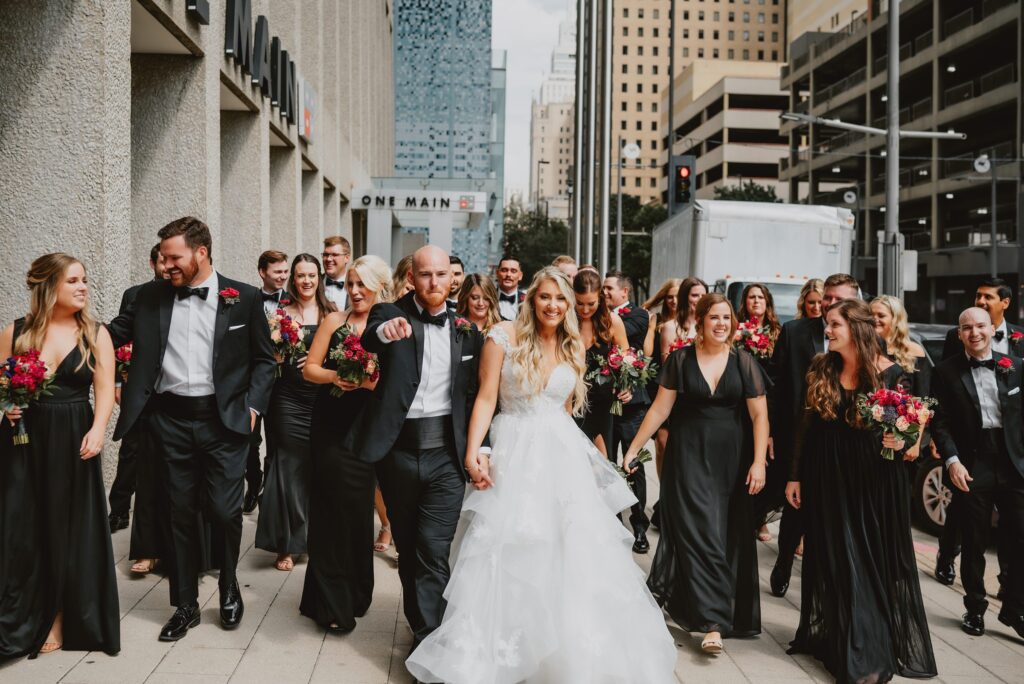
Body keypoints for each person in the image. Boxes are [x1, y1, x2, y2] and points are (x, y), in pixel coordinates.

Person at [406, 267, 677, 683]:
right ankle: (500, 647)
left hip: (560, 456)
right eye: (545, 297)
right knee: (509, 545)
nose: (553, 305)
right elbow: (485, 398)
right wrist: (474, 451)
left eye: (560, 299)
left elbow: (566, 411)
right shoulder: (502, 336)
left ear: (569, 306)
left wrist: (587, 459)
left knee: (568, 548)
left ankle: (564, 648)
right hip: (513, 447)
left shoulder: (574, 347)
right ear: (533, 299)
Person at [107, 217, 276, 642]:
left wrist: (254, 407)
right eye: (163, 257)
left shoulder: (245, 298)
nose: (165, 265)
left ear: (201, 252)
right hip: (168, 420)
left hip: (225, 422)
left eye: (173, 257)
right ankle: (184, 604)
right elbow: (110, 335)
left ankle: (228, 584)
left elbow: (264, 360)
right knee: (178, 512)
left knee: (224, 508)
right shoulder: (147, 296)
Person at [785, 299, 937, 683]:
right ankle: (841, 640)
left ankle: (867, 651)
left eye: (835, 324)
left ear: (856, 327)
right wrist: (795, 476)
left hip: (872, 479)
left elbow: (911, 422)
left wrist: (901, 437)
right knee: (835, 557)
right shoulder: (822, 366)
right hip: (826, 474)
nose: (828, 330)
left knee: (864, 561)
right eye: (827, 324)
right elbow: (806, 426)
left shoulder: (891, 373)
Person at [350, 245, 486, 650]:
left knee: (432, 548)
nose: (434, 282)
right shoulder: (389, 314)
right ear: (412, 278)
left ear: (452, 278)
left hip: (446, 454)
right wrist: (382, 334)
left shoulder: (467, 330)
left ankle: (432, 643)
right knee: (409, 549)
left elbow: (476, 395)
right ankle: (422, 621)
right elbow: (373, 337)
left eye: (442, 275)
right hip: (398, 453)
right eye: (425, 275)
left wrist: (482, 449)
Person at [624, 293, 769, 654]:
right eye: (714, 317)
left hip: (731, 461)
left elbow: (759, 417)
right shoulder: (679, 359)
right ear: (701, 321)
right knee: (698, 531)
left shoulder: (744, 363)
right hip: (687, 457)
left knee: (722, 535)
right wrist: (633, 448)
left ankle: (702, 606)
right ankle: (712, 623)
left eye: (726, 318)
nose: (721, 324)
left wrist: (758, 462)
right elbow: (659, 410)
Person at [0, 253, 119, 658]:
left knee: (69, 526)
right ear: (48, 286)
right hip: (23, 440)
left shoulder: (96, 333)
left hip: (73, 436)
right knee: (22, 524)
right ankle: (23, 609)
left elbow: (104, 388)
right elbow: (0, 382)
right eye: (73, 281)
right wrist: (6, 405)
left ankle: (61, 616)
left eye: (84, 280)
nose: (83, 287)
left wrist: (99, 429)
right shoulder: (15, 331)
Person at [300, 255, 393, 631]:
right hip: (330, 427)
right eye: (351, 284)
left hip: (367, 427)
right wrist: (337, 376)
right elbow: (310, 368)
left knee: (356, 512)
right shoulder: (334, 321)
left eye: (362, 285)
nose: (355, 291)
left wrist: (374, 383)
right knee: (328, 509)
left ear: (378, 287)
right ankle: (329, 601)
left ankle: (357, 590)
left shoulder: (389, 326)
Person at [931, 307, 1024, 639]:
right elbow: (939, 422)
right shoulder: (944, 372)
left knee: (1019, 538)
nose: (975, 333)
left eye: (981, 326)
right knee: (974, 540)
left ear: (991, 328)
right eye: (967, 328)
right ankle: (974, 608)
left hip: (1014, 463)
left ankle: (1014, 608)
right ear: (960, 334)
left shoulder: (1015, 367)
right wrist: (952, 460)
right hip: (972, 462)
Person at [768, 273, 860, 598]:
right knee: (794, 508)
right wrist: (769, 431)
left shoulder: (864, 339)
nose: (829, 304)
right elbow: (776, 383)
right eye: (827, 298)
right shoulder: (795, 332)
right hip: (799, 433)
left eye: (838, 299)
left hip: (840, 440)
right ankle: (783, 559)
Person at [256, 254, 336, 571]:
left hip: (322, 398)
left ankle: (315, 536)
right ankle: (287, 544)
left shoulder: (331, 314)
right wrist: (278, 355)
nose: (306, 281)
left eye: (311, 275)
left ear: (319, 278)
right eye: (300, 275)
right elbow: (265, 356)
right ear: (293, 278)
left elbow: (342, 355)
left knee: (318, 467)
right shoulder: (279, 315)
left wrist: (320, 363)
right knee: (288, 465)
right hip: (287, 398)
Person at [108, 243, 167, 534]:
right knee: (130, 451)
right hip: (136, 385)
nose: (167, 267)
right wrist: (119, 381)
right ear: (151, 263)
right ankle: (119, 510)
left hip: (168, 389)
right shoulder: (135, 295)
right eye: (162, 262)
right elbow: (121, 341)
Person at [602, 271, 654, 553]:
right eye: (603, 289)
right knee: (606, 464)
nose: (605, 293)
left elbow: (623, 338)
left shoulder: (638, 316)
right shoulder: (597, 314)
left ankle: (639, 527)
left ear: (625, 293)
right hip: (603, 403)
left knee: (633, 465)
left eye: (609, 289)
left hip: (632, 406)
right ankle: (611, 524)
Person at [737, 283, 783, 543]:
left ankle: (759, 518)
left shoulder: (778, 332)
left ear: (767, 302)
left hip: (766, 401)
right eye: (751, 297)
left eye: (760, 297)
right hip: (740, 403)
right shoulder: (737, 330)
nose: (756, 301)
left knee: (764, 462)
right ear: (745, 303)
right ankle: (744, 516)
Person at [245, 249, 290, 514]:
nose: (283, 277)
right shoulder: (249, 299)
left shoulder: (293, 301)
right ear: (263, 272)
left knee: (277, 440)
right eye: (278, 272)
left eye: (286, 271)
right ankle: (253, 483)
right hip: (253, 380)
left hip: (283, 383)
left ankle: (269, 495)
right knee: (250, 439)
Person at [573, 269, 630, 456]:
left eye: (591, 303)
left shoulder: (612, 322)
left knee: (604, 463)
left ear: (601, 297)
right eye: (579, 303)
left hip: (603, 403)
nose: (585, 309)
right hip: (572, 401)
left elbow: (626, 359)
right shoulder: (567, 322)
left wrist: (626, 387)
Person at [643, 277, 682, 531]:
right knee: (662, 443)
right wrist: (649, 325)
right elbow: (647, 353)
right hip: (660, 384)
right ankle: (664, 492)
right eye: (670, 296)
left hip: (686, 390)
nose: (674, 301)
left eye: (679, 296)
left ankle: (675, 497)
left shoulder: (695, 322)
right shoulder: (656, 321)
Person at [941, 278, 1024, 361]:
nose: (980, 302)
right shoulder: (955, 335)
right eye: (978, 296)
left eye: (988, 297)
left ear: (1005, 303)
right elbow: (945, 371)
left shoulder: (1022, 335)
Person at [659, 277, 707, 356]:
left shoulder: (710, 325)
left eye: (704, 296)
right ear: (684, 297)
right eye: (695, 295)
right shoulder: (670, 327)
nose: (700, 299)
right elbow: (668, 365)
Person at [321, 235, 351, 311]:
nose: (328, 259)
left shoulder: (356, 285)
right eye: (326, 255)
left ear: (346, 258)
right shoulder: (314, 283)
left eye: (334, 255)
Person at [496, 256, 526, 320]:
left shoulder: (528, 301)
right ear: (497, 273)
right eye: (504, 270)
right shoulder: (487, 298)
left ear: (520, 276)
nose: (508, 274)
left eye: (513, 271)